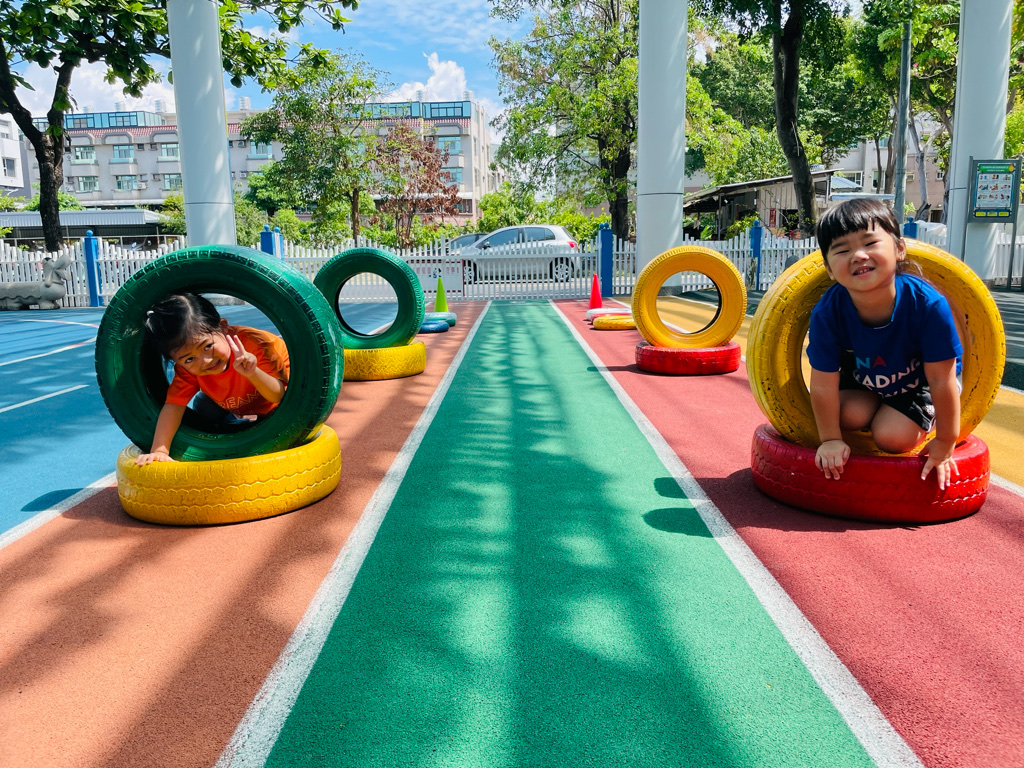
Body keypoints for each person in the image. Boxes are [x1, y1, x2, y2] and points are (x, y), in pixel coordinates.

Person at [807, 198, 963, 490]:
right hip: (864, 380)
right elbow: (823, 384)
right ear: (829, 268)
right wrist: (830, 439)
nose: (858, 255)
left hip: (919, 382)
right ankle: (876, 407)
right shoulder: (827, 313)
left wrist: (945, 441)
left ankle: (903, 414)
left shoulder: (927, 305)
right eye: (842, 250)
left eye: (870, 243)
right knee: (844, 415)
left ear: (899, 249)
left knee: (892, 438)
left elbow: (941, 380)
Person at [135, 293, 290, 465]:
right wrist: (160, 450)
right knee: (203, 405)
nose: (205, 361)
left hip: (278, 406)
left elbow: (278, 396)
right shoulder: (187, 368)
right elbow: (173, 405)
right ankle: (237, 424)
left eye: (208, 346)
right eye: (189, 359)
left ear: (223, 327)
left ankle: (250, 422)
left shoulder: (255, 345)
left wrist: (253, 373)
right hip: (234, 403)